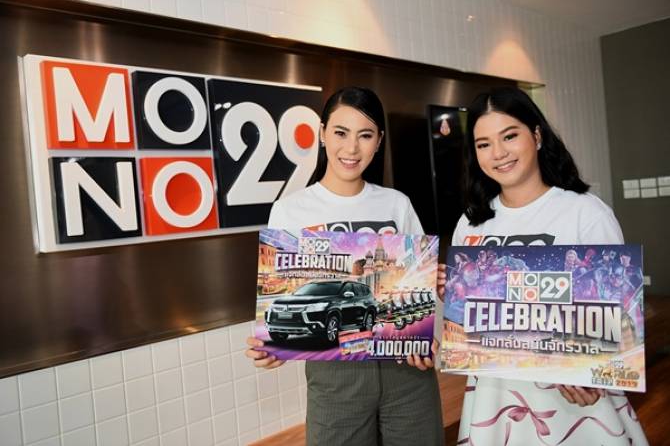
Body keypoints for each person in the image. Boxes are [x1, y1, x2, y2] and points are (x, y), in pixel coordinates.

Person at [443, 87, 648, 445]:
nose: (498, 153)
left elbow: (620, 313)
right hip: (496, 400)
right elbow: (465, 323)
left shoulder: (585, 212)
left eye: (510, 136)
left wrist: (597, 376)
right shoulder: (471, 224)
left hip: (575, 404)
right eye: (484, 144)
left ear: (536, 136)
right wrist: (446, 300)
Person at [245, 86, 444, 445]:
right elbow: (281, 292)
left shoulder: (397, 204)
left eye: (365, 135)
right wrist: (273, 345)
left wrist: (426, 337)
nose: (351, 148)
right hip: (335, 379)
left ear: (378, 141)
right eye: (340, 132)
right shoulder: (291, 211)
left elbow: (418, 286)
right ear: (322, 133)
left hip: (406, 374)